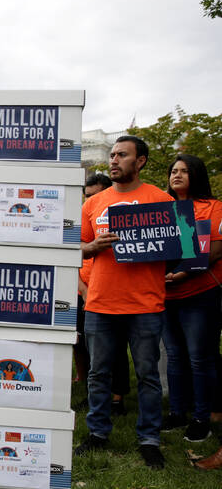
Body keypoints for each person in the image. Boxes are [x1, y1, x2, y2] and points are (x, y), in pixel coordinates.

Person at [74, 136, 174, 469]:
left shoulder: (161, 199)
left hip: (145, 304)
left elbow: (178, 248)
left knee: (147, 376)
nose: (114, 160)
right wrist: (92, 248)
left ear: (140, 161)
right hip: (101, 303)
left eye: (122, 155)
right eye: (112, 155)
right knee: (97, 374)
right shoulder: (93, 203)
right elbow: (78, 248)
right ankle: (97, 433)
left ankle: (149, 439)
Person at [160, 154, 222, 442]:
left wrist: (184, 273)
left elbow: (216, 251)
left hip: (200, 292)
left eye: (184, 171)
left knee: (200, 358)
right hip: (166, 293)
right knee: (174, 356)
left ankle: (201, 417)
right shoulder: (161, 208)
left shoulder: (214, 207)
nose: (177, 175)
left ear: (196, 175)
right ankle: (176, 412)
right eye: (174, 171)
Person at [76, 174, 131, 416]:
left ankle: (117, 398)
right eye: (87, 196)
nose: (90, 200)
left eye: (95, 195)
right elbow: (75, 253)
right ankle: (94, 396)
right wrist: (84, 291)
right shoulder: (84, 217)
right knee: (88, 349)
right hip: (84, 293)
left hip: (113, 294)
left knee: (116, 348)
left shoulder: (121, 218)